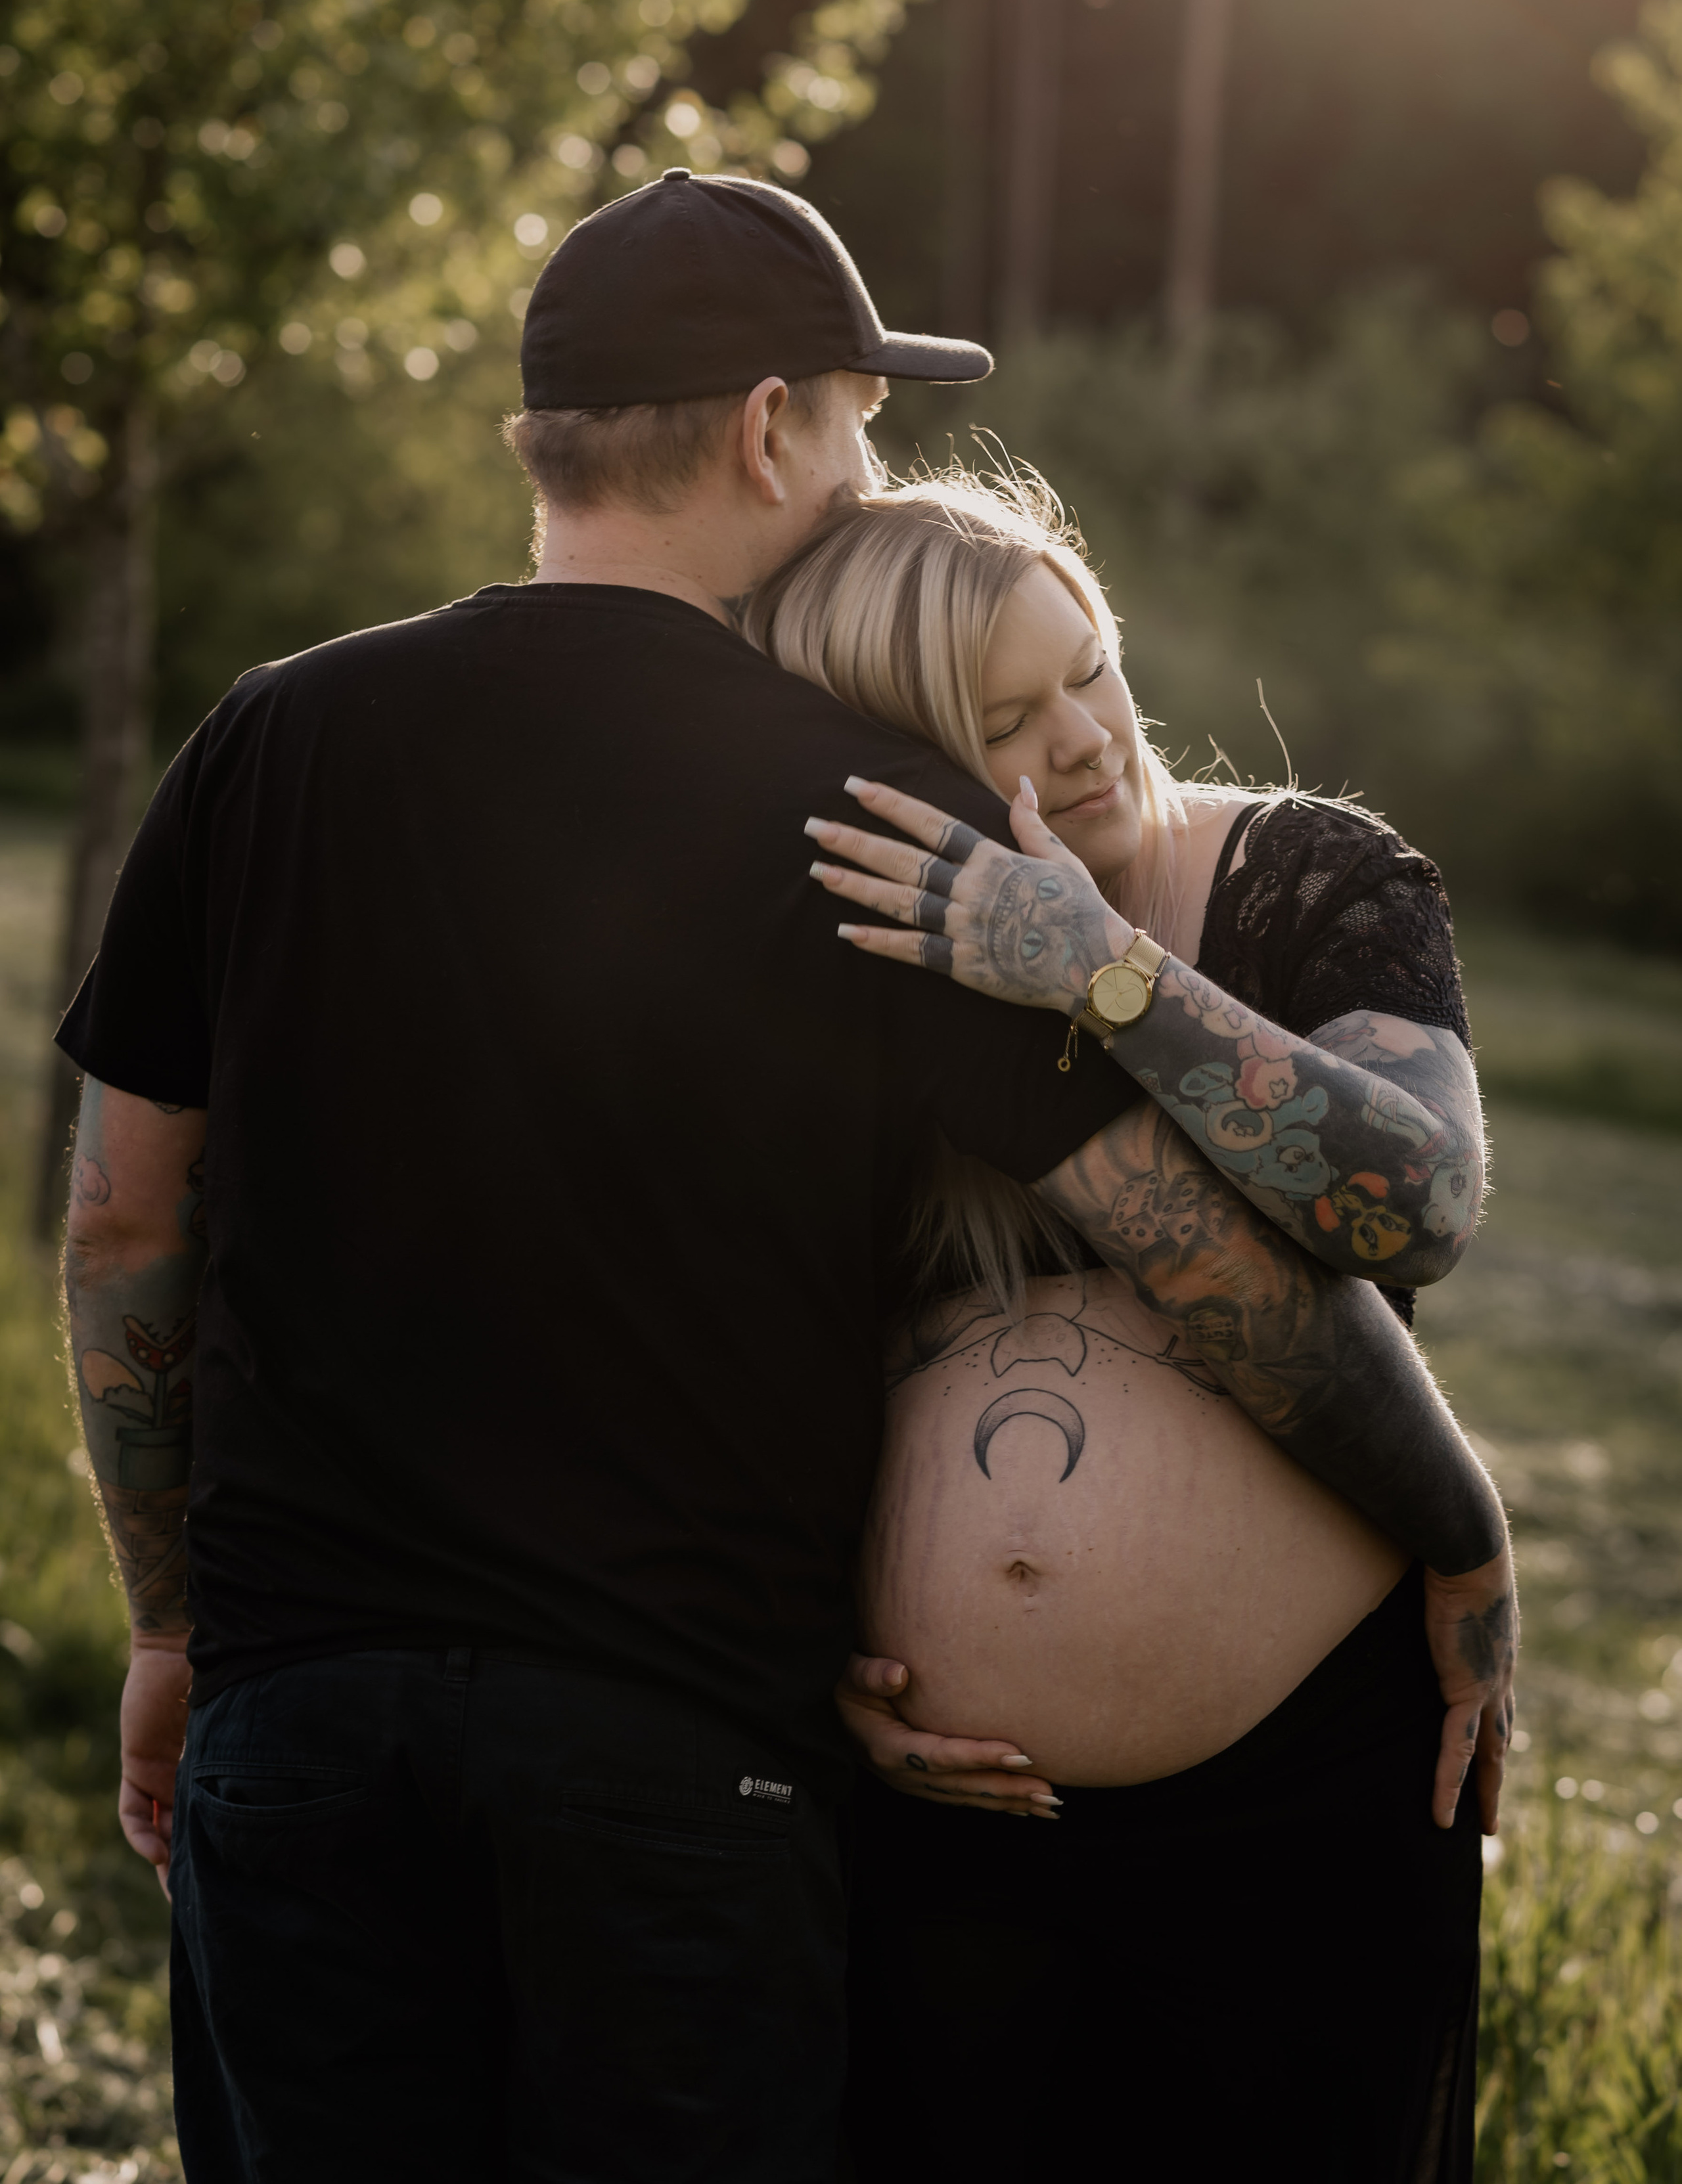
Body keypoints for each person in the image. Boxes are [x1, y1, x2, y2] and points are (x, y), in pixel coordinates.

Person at [55, 169, 1507, 2183]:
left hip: (300, 1728)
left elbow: (125, 1219)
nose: (865, 464)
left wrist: (165, 1626)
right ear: (767, 429)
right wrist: (1448, 1516)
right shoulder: (857, 810)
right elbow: (1185, 1251)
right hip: (675, 1749)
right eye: (856, 418)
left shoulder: (268, 734)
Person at [743, 476, 1514, 2183]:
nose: (1087, 738)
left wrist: (1108, 971)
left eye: (1089, 667)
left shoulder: (1313, 878)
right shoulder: (862, 944)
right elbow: (751, 1335)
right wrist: (814, 1669)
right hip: (941, 1804)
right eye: (1007, 719)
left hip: (1309, 1774)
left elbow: (1418, 1203)